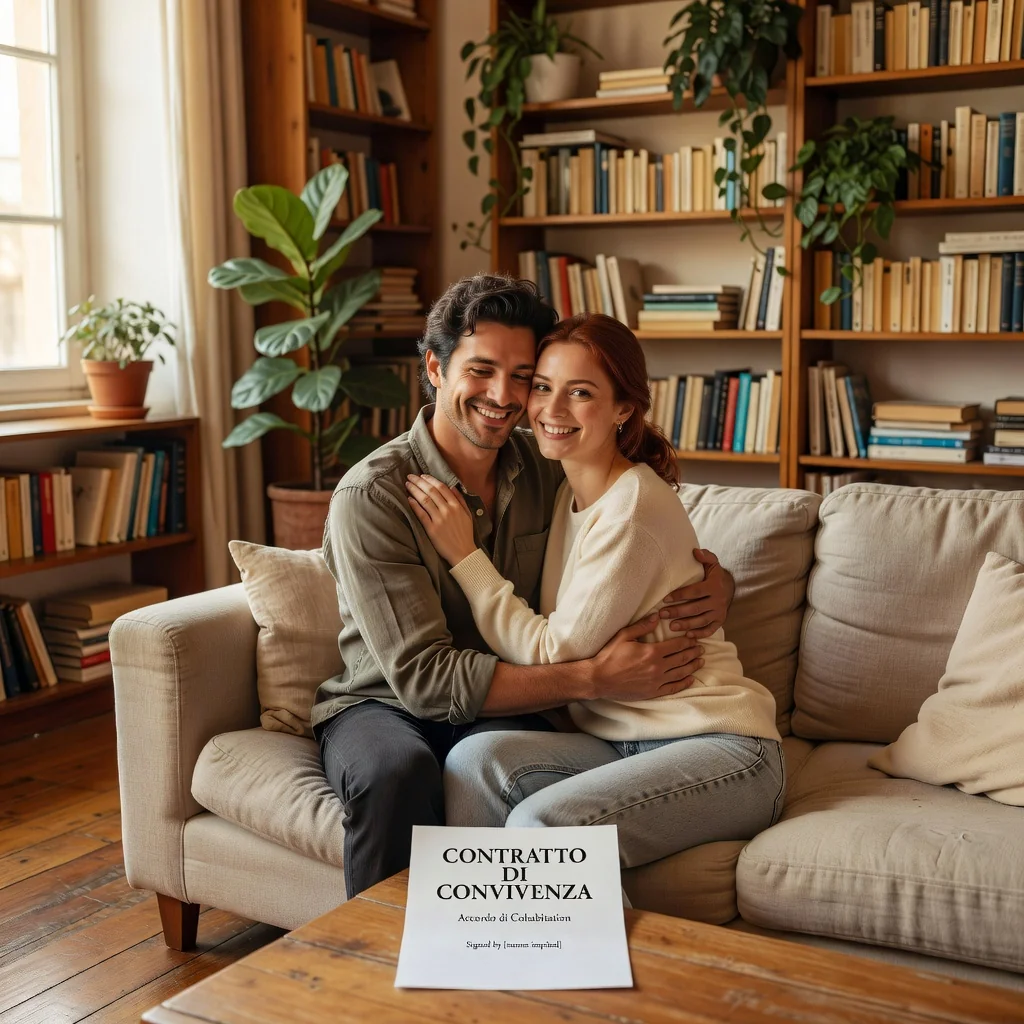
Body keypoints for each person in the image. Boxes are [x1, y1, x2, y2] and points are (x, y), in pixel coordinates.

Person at [313, 275, 736, 899]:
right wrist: (594, 679)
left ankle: (510, 960)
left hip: (512, 695)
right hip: (386, 701)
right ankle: (378, 968)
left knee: (500, 769)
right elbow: (427, 682)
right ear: (435, 366)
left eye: (523, 376)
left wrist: (715, 581)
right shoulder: (374, 494)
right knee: (396, 771)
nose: (504, 395)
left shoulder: (547, 458)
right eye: (481, 370)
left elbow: (636, 522)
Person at [406, 312, 784, 870]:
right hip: (617, 742)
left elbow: (552, 652)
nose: (551, 411)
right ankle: (482, 943)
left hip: (722, 748)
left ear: (623, 408)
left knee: (543, 827)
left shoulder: (630, 506)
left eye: (580, 392)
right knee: (474, 760)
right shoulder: (562, 486)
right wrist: (718, 579)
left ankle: (570, 956)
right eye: (542, 387)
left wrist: (466, 556)